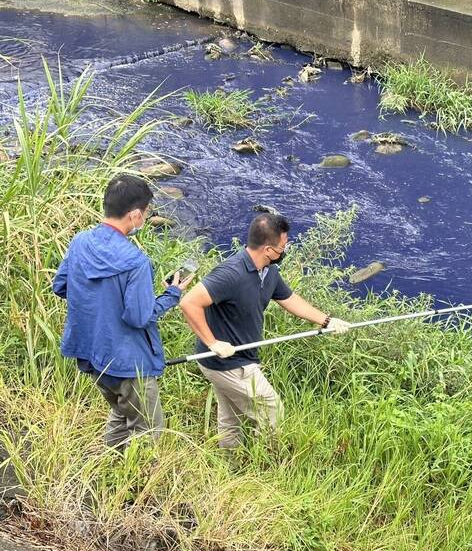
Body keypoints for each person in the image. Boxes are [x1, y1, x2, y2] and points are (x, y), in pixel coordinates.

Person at [180, 212, 351, 450]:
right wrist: (212, 343)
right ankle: (267, 461)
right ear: (269, 250)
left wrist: (327, 320)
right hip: (226, 362)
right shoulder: (231, 273)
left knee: (231, 418)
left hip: (242, 358)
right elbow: (189, 303)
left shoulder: (269, 272)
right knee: (272, 410)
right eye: (283, 246)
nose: (285, 249)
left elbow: (290, 299)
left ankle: (229, 466)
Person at [53, 174, 193, 449]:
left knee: (120, 412)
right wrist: (172, 295)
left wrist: (98, 300)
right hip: (129, 363)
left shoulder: (80, 242)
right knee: (148, 430)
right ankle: (140, 487)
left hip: (92, 355)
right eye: (147, 213)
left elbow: (60, 286)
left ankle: (111, 469)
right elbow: (138, 317)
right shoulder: (136, 262)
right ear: (135, 215)